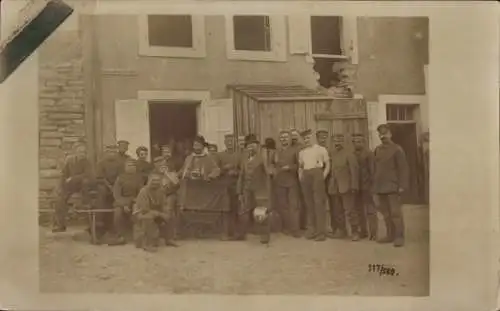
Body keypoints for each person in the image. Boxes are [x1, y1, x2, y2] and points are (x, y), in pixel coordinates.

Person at [372, 124, 409, 247]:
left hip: (393, 186)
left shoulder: (397, 149)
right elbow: (375, 169)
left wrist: (402, 186)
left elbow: (403, 169)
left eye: (385, 133)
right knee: (385, 213)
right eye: (380, 134)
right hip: (380, 187)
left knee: (395, 213)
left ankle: (399, 237)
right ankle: (390, 235)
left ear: (390, 134)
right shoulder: (377, 150)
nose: (383, 136)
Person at [237, 137, 272, 243]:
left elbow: (268, 174)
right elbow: (241, 176)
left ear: (257, 147)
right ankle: (242, 234)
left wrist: (267, 190)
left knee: (261, 213)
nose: (251, 148)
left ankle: (265, 236)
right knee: (243, 211)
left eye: (253, 145)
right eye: (248, 146)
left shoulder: (263, 158)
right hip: (247, 189)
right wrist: (239, 192)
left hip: (259, 190)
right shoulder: (244, 159)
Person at [52, 143, 93, 233]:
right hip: (70, 186)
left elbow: (87, 174)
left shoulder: (87, 162)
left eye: (84, 152)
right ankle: (60, 225)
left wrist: (73, 178)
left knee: (88, 202)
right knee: (60, 201)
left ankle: (91, 226)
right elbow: (64, 174)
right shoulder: (70, 161)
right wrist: (60, 187)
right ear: (75, 152)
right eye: (80, 151)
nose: (82, 153)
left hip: (82, 186)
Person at [132, 172, 178, 252]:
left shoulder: (160, 191)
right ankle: (147, 244)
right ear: (149, 181)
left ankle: (169, 239)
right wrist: (159, 214)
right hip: (141, 213)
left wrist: (166, 212)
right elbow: (144, 208)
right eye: (153, 181)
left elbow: (164, 204)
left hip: (156, 212)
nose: (155, 183)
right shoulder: (144, 191)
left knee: (171, 215)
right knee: (148, 217)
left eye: (157, 181)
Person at [298, 129, 330, 241]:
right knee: (309, 204)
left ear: (313, 138)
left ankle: (321, 232)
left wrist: (323, 177)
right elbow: (301, 167)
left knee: (318, 203)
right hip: (306, 176)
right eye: (305, 138)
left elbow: (327, 165)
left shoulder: (321, 149)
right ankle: (312, 229)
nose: (307, 140)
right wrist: (300, 177)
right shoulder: (302, 152)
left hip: (317, 174)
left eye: (308, 138)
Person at [327, 134, 360, 241]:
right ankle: (342, 231)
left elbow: (354, 171)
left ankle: (355, 232)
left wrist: (354, 186)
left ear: (343, 142)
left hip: (347, 186)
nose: (337, 143)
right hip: (335, 187)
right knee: (337, 210)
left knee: (350, 210)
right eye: (335, 140)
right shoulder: (332, 154)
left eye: (340, 140)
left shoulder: (349, 154)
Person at [273, 130, 300, 237]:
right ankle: (286, 227)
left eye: (286, 137)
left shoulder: (295, 150)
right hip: (279, 181)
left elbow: (299, 165)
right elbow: (272, 165)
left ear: (289, 139)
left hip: (292, 181)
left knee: (294, 206)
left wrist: (290, 167)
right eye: (282, 137)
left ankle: (295, 229)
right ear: (279, 140)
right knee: (283, 206)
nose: (284, 139)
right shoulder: (277, 151)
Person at [109, 159, 143, 245]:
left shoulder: (139, 178)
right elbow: (116, 194)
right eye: (129, 166)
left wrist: (135, 202)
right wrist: (123, 205)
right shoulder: (120, 178)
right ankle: (120, 236)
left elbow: (141, 192)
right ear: (125, 168)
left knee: (138, 212)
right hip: (122, 200)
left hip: (135, 200)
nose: (131, 168)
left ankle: (139, 237)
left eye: (133, 166)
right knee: (118, 213)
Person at [94, 144, 123, 244]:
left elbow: (121, 177)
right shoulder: (101, 163)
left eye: (113, 152)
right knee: (101, 193)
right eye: (109, 152)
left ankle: (116, 229)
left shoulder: (120, 164)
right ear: (106, 152)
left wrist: (115, 187)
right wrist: (109, 187)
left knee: (118, 198)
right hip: (105, 187)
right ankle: (99, 224)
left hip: (116, 186)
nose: (112, 154)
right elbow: (100, 177)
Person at [352, 133, 378, 240]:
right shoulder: (352, 154)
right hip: (356, 187)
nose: (357, 143)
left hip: (367, 186)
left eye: (359, 141)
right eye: (355, 142)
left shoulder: (369, 154)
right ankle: (363, 231)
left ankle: (373, 233)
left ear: (364, 142)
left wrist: (372, 186)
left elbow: (373, 171)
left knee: (370, 210)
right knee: (359, 210)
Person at [217, 134, 241, 240]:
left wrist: (236, 172)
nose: (230, 144)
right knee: (225, 210)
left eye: (232, 141)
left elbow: (244, 171)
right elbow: (215, 171)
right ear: (225, 143)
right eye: (228, 142)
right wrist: (224, 168)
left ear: (235, 143)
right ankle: (225, 233)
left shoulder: (239, 155)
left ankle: (236, 233)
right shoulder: (220, 155)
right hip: (223, 186)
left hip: (236, 185)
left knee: (236, 209)